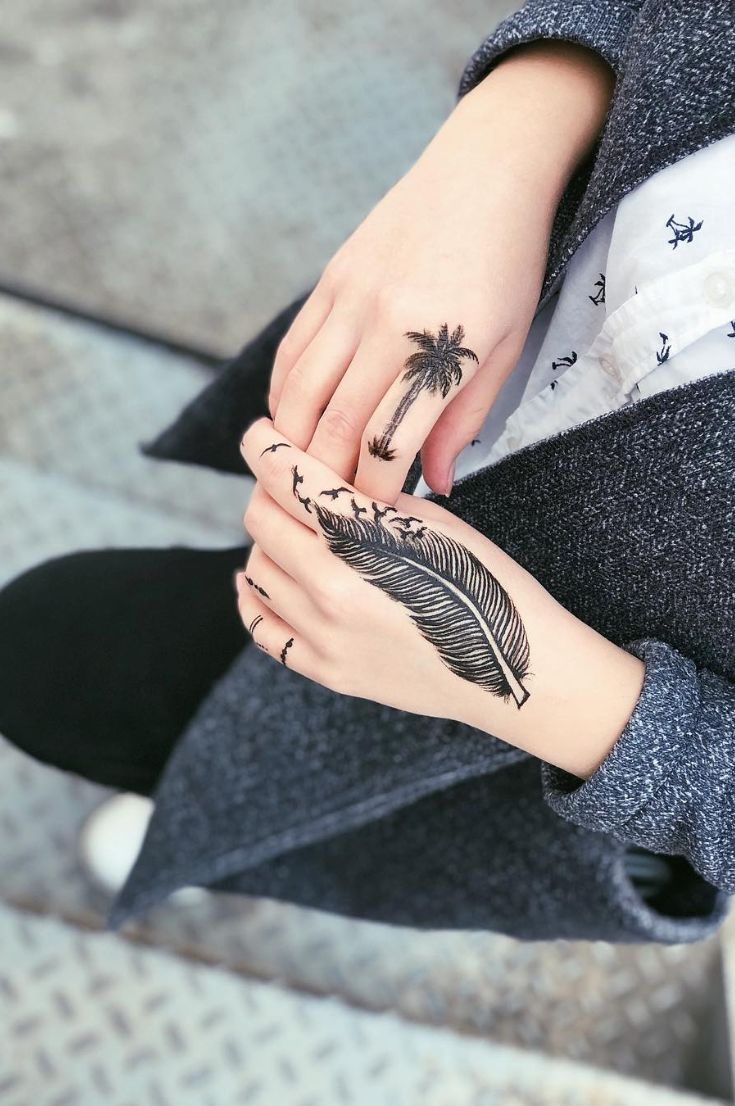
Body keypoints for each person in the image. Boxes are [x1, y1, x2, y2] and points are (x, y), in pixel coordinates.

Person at [1, 4, 733, 942]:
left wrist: (530, 682)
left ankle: (227, 820)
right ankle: (209, 794)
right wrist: (512, 132)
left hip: (515, 750)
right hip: (471, 387)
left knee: (50, 661)